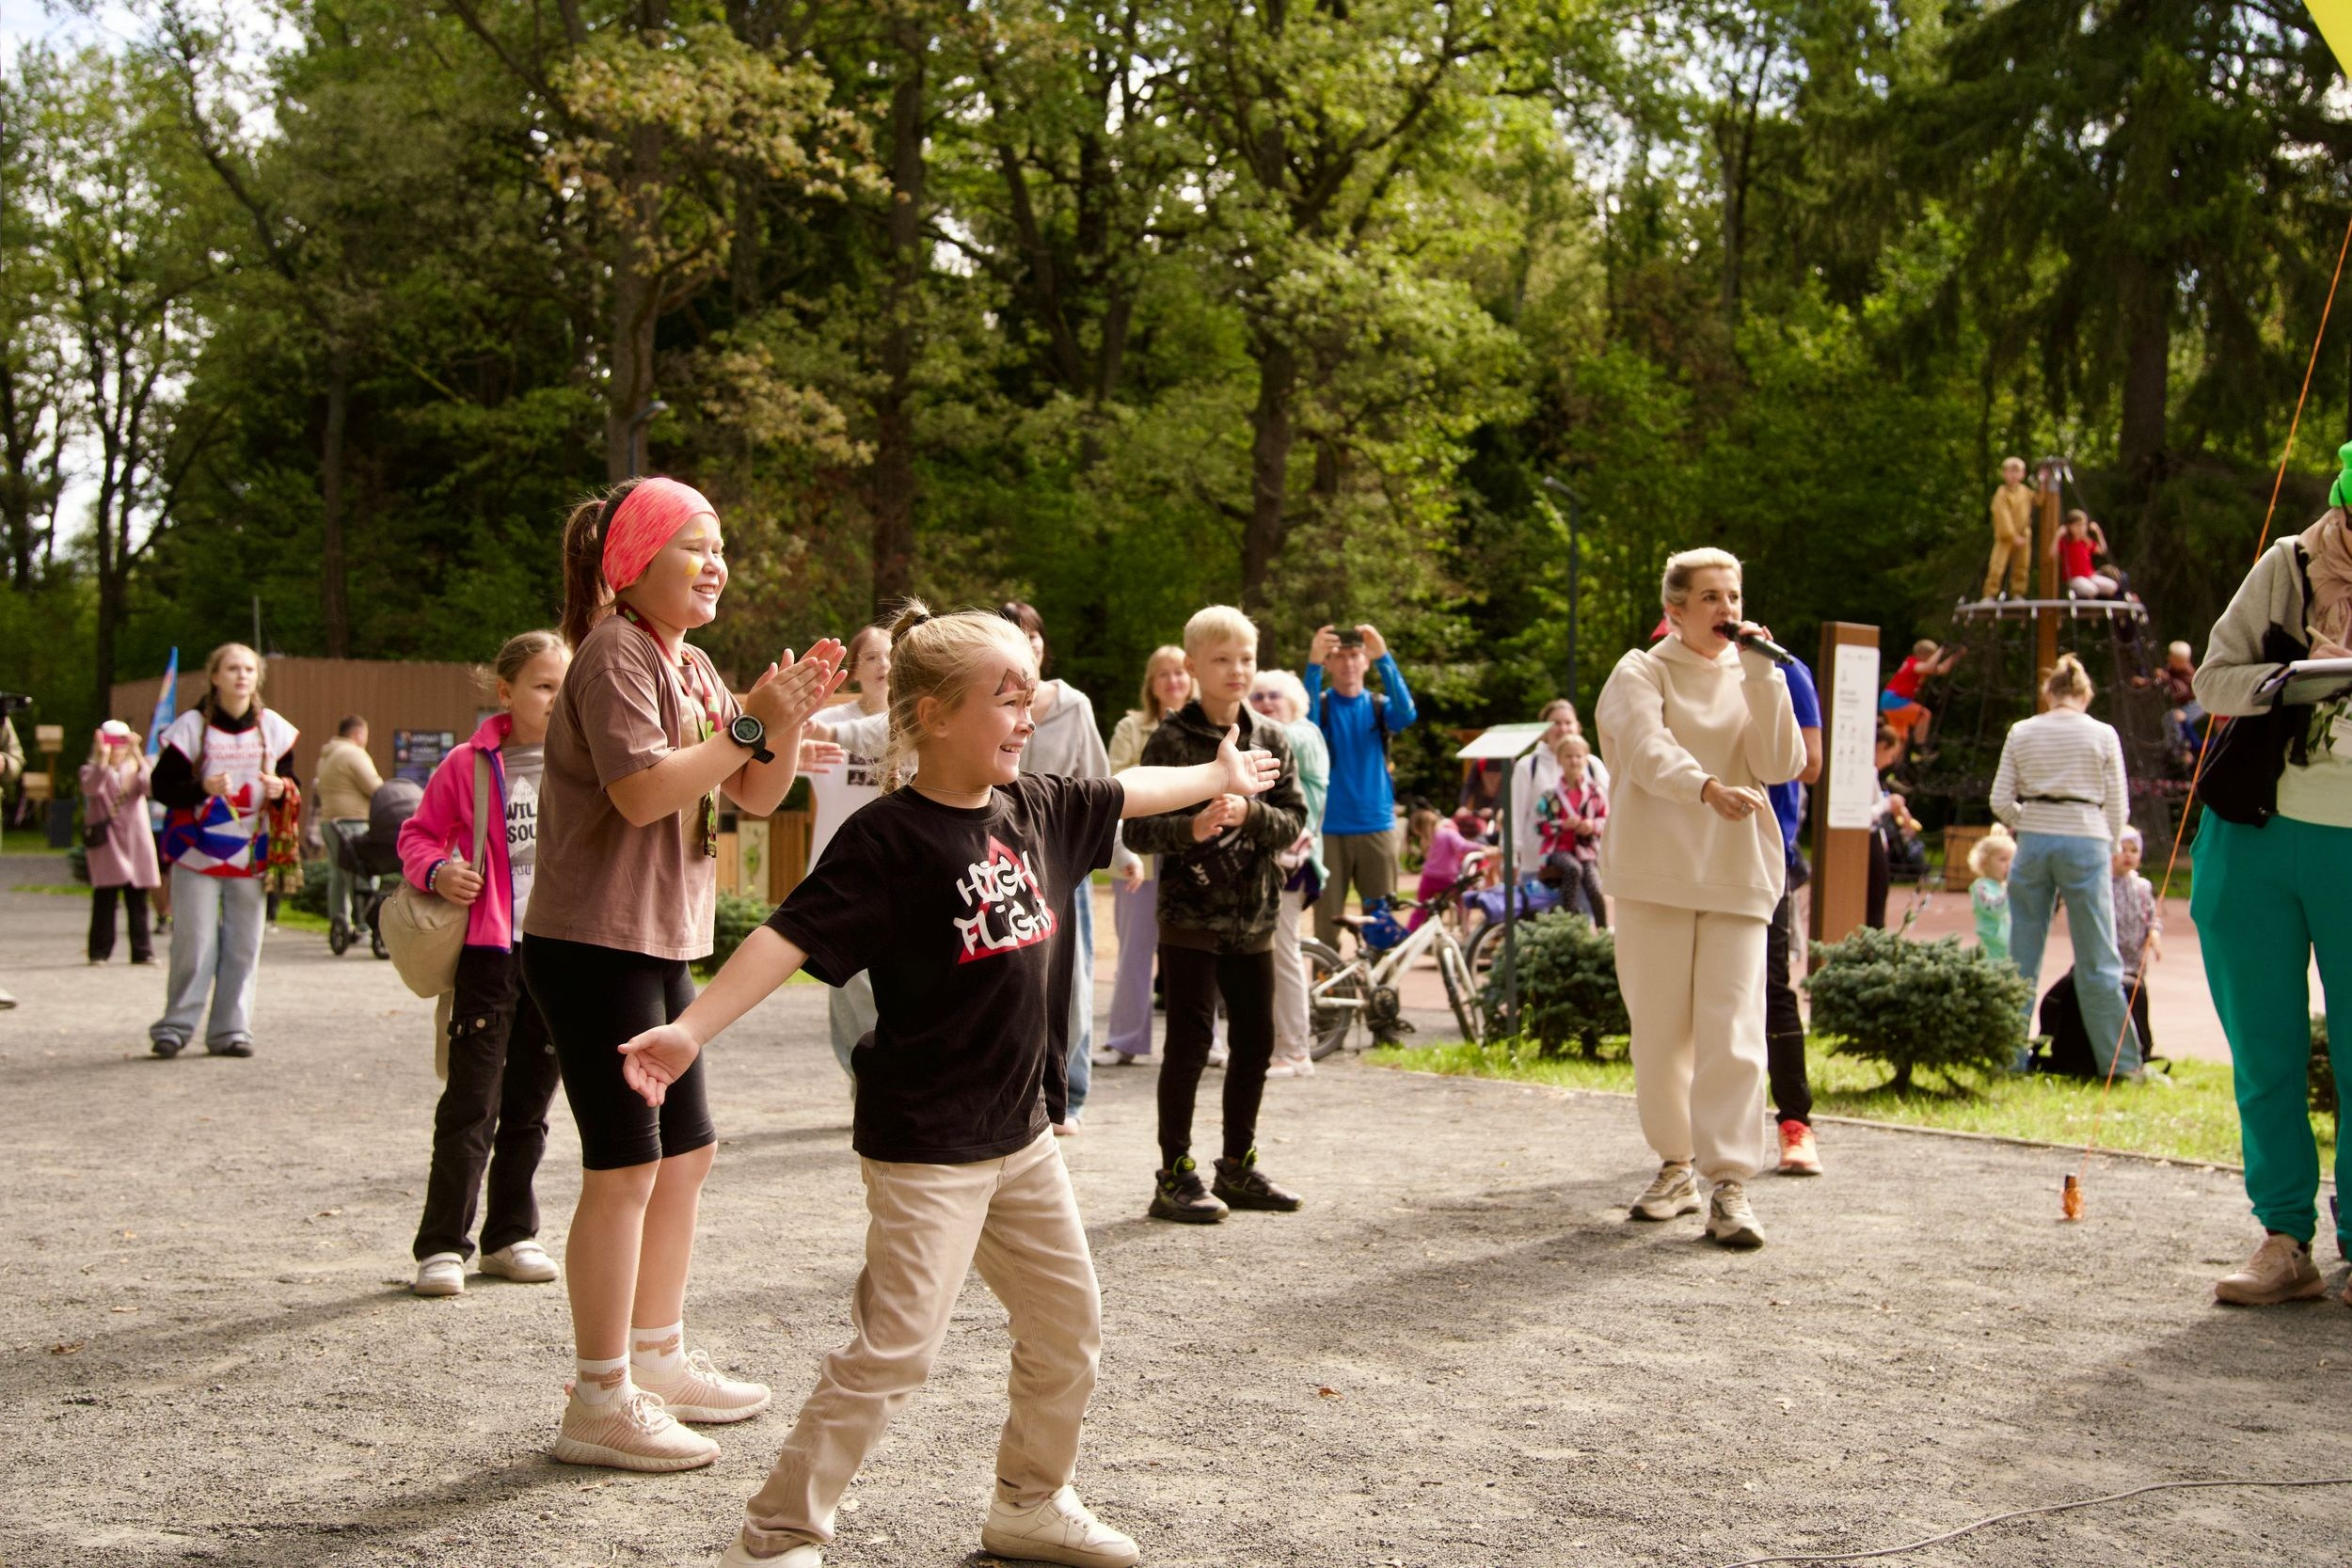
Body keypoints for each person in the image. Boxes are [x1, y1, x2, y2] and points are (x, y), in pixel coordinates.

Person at [615, 600, 1282, 1568]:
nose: (1024, 716)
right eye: (1003, 699)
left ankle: (1029, 1500)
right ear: (929, 715)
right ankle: (775, 1536)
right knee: (896, 1349)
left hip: (1021, 1136)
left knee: (1068, 1326)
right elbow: (785, 938)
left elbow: (1125, 787)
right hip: (926, 1142)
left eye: (1030, 698)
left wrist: (1217, 774)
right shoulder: (889, 839)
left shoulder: (1040, 807)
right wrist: (686, 1029)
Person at [523, 475, 843, 1472]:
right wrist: (748, 721)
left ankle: (655, 1357)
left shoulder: (693, 663)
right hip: (591, 942)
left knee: (687, 1154)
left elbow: (752, 791)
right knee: (624, 1166)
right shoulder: (616, 652)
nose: (717, 564)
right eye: (695, 546)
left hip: (660, 941)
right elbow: (641, 792)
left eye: (721, 548)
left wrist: (780, 721)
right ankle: (598, 1395)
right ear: (633, 563)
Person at [1597, 547, 1804, 1249]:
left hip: (1739, 873)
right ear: (1675, 609)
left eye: (1734, 596)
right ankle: (1676, 1166)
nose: (1727, 610)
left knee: (1735, 1031)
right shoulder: (1639, 670)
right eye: (1711, 597)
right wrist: (1706, 787)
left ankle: (1731, 1184)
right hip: (1656, 872)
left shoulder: (1755, 672)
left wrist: (1764, 676)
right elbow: (1647, 750)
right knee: (1660, 1033)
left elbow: (1781, 764)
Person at [2190, 469, 2352, 1306]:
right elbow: (2211, 679)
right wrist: (2284, 679)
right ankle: (2285, 1238)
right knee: (2265, 1049)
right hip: (2255, 834)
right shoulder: (2288, 567)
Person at [398, 631, 571, 1299]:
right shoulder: (468, 763)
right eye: (543, 686)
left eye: (564, 686)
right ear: (507, 691)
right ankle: (443, 1244)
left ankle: (509, 1236)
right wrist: (438, 869)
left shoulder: (587, 758)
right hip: (489, 956)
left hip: (559, 954)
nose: (555, 699)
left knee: (531, 1103)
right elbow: (416, 834)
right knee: (472, 1102)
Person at [1123, 606, 1310, 1223]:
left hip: (1255, 918)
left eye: (1246, 659)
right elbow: (1142, 827)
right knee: (1190, 1042)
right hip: (1189, 918)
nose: (1237, 670)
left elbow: (1295, 819)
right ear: (1193, 666)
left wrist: (1248, 815)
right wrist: (1192, 825)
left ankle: (1238, 1166)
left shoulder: (1272, 736)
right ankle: (1175, 1173)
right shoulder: (1171, 739)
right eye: (1222, 660)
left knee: (1255, 1040)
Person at [1989, 652, 2142, 1080]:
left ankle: (2007, 1059)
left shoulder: (2022, 731)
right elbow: (2118, 804)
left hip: (2035, 842)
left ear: (2049, 694)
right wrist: (2109, 841)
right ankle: (2122, 1065)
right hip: (2087, 839)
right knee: (2098, 959)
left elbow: (2000, 800)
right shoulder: (2103, 734)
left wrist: (2032, 821)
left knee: (2020, 955)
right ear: (2084, 695)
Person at [148, 643, 299, 1059]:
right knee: (194, 944)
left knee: (244, 945)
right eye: (232, 668)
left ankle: (232, 1030)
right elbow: (162, 788)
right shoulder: (191, 727)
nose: (241, 676)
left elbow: (293, 784)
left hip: (252, 855)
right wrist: (202, 787)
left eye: (249, 669)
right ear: (215, 677)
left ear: (258, 677)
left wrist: (281, 788)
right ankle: (175, 1027)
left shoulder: (275, 729)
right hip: (198, 853)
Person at [997, 602, 1113, 1132]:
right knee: (1012, 978)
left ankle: (1072, 1092)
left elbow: (1098, 777)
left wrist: (1122, 853)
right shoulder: (984, 700)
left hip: (1063, 853)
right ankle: (1016, 1090)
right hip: (1000, 853)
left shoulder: (1073, 705)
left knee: (1074, 977)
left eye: (1035, 636)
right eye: (1016, 636)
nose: (1030, 644)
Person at [1097, 645, 1193, 1068]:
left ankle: (1204, 1042)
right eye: (1163, 675)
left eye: (1179, 673)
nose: (1173, 681)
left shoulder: (1207, 726)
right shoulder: (1130, 727)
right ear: (1151, 684)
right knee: (1134, 950)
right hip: (1140, 853)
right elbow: (1114, 792)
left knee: (1195, 953)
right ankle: (1125, 1039)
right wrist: (1125, 849)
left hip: (1192, 855)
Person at [808, 624, 891, 1081]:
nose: (883, 665)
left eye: (891, 655)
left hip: (898, 870)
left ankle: (885, 1075)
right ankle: (864, 1077)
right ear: (855, 669)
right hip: (837, 873)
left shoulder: (917, 723)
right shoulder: (828, 725)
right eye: (872, 657)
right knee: (849, 984)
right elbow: (774, 753)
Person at [1304, 622, 1417, 947]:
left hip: (1376, 826)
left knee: (1380, 927)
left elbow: (1407, 714)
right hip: (1330, 830)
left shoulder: (1380, 707)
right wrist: (1312, 664)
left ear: (1365, 661)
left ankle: (1382, 997)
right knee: (1326, 928)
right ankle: (1330, 998)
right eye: (1339, 656)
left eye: (1356, 655)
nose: (1348, 663)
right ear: (1329, 663)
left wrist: (1384, 657)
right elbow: (1303, 720)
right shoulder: (1322, 707)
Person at [1758, 653, 1822, 1175]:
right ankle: (1689, 1139)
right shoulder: (1664, 669)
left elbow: (1812, 764)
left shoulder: (1784, 671)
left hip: (1764, 854)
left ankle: (1794, 1123)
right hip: (1691, 858)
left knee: (1772, 987)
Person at [1251, 667, 1327, 1077]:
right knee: (1277, 953)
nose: (1264, 702)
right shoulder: (1284, 735)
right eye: (1257, 696)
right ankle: (1283, 1045)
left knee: (1284, 954)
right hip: (1280, 858)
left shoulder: (1300, 734)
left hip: (1294, 860)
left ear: (1294, 700)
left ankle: (1297, 1050)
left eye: (1273, 695)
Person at [80, 721, 159, 966]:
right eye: (112, 742)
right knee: (105, 898)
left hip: (136, 840)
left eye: (122, 741)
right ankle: (99, 951)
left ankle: (142, 950)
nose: (117, 748)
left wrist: (137, 753)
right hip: (108, 842)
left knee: (138, 899)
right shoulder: (90, 769)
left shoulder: (136, 767)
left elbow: (151, 787)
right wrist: (102, 760)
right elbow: (92, 788)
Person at [314, 715, 385, 942]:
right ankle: (365, 923)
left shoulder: (326, 756)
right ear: (358, 734)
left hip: (329, 822)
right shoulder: (354, 754)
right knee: (362, 875)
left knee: (338, 875)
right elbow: (375, 787)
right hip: (353, 823)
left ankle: (338, 922)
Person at [1534, 733, 1607, 927]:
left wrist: (1592, 826)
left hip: (1586, 850)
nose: (1574, 760)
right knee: (1572, 869)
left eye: (1578, 755)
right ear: (1559, 759)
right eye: (1568, 756)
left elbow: (1605, 819)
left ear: (1586, 758)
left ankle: (1603, 929)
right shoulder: (1550, 794)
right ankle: (1568, 918)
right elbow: (1539, 825)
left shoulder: (1595, 792)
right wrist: (1561, 826)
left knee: (1595, 888)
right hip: (1559, 850)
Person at [1408, 807, 1485, 930]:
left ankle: (1409, 933)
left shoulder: (1426, 839)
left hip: (1428, 879)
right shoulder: (1447, 833)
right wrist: (1481, 847)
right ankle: (1464, 925)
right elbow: (1463, 846)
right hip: (1447, 879)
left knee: (1421, 909)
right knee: (1465, 893)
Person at [1879, 639, 1960, 751]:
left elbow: (1942, 669)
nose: (1934, 660)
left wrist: (1956, 655)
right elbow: (1930, 666)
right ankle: (1919, 748)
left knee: (1900, 739)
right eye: (1932, 656)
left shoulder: (1916, 665)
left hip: (1891, 701)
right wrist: (1942, 650)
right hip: (1895, 699)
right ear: (1922, 655)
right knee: (1923, 715)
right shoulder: (1913, 663)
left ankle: (1894, 764)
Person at [1984, 455, 2033, 601]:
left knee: (2022, 566)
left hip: (2023, 536)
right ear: (2004, 474)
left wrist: (2043, 483)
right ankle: (1990, 594)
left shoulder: (2025, 491)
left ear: (2022, 474)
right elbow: (2002, 515)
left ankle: (2018, 593)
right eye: (2010, 472)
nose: (2013, 475)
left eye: (2017, 472)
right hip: (2006, 537)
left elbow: (2039, 500)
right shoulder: (2002, 493)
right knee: (1997, 566)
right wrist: (2012, 535)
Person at [1968, 826, 2015, 965]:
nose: (2009, 865)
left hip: (2009, 947)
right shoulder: (1981, 887)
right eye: (2003, 859)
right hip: (1991, 950)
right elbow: (1994, 909)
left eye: (2011, 860)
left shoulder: (2005, 887)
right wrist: (2011, 890)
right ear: (1984, 863)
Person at [2059, 510, 2122, 599]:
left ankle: (2102, 605)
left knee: (2112, 586)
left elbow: (2102, 550)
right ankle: (2086, 606)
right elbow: (2052, 553)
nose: (2081, 528)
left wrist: (2098, 531)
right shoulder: (2066, 543)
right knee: (2091, 590)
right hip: (2074, 578)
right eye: (2078, 525)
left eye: (2084, 525)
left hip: (2089, 576)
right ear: (2069, 527)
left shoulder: (2086, 542)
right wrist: (2058, 535)